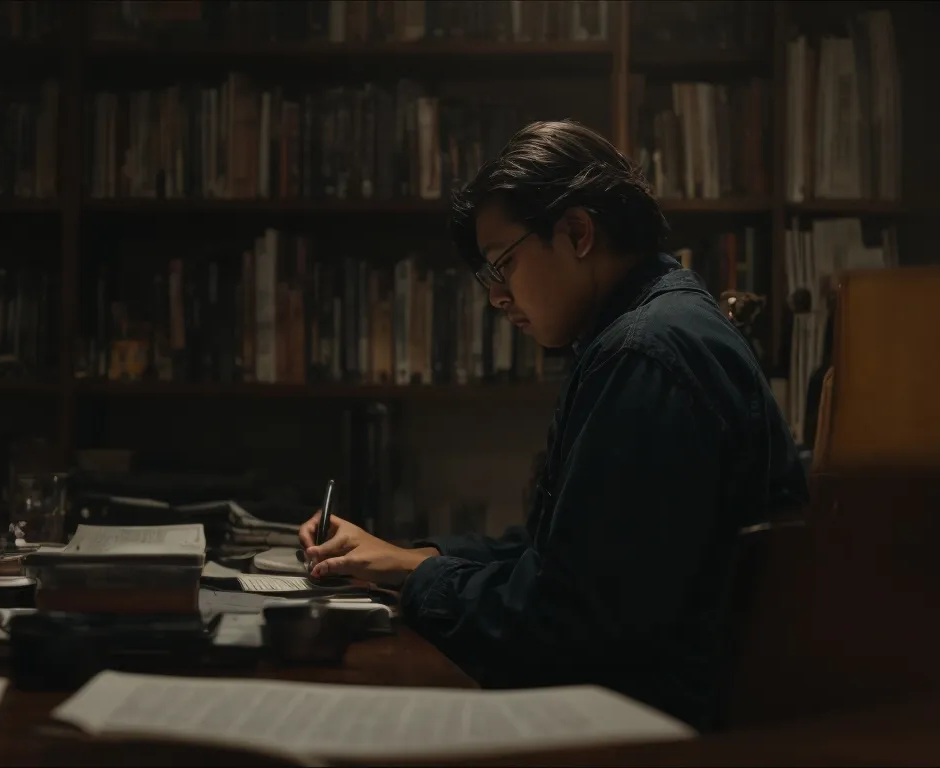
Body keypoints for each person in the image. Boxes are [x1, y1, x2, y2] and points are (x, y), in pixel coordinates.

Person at [298, 120, 807, 731]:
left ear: (576, 232)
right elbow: (568, 551)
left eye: (502, 266)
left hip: (657, 735)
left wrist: (421, 579)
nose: (497, 299)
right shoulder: (649, 330)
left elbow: (561, 626)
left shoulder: (643, 354)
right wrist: (413, 557)